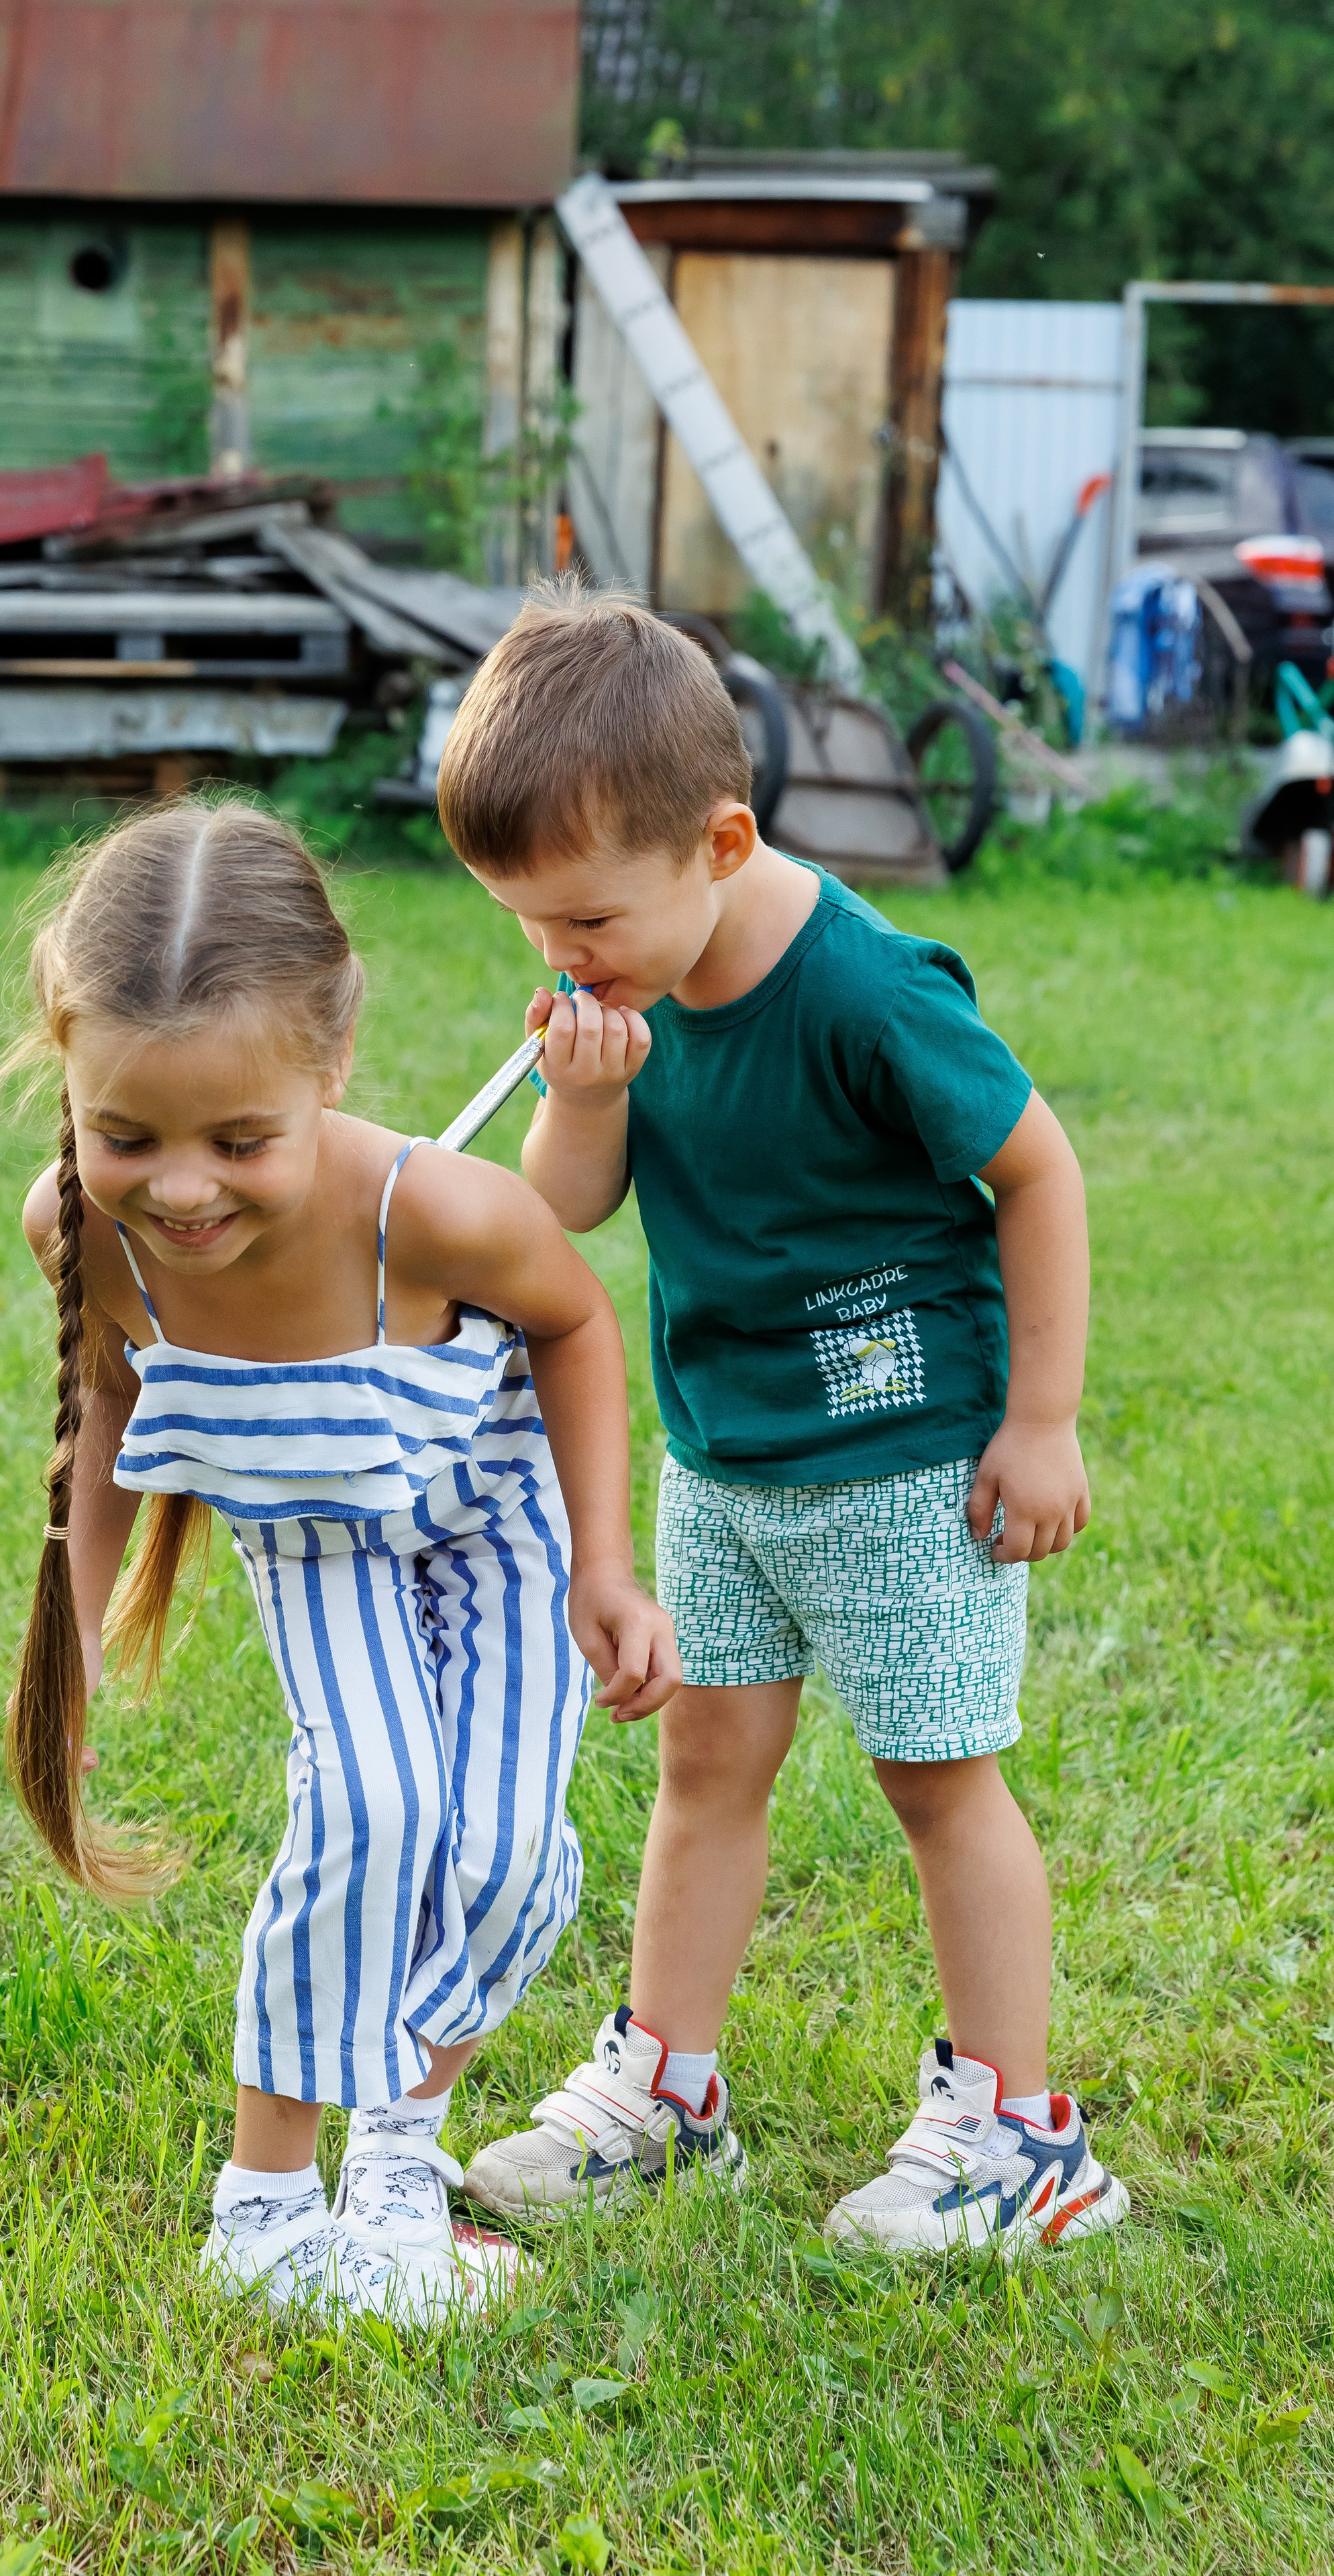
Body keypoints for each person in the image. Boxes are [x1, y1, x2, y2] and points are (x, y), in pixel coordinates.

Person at [433, 588, 1129, 2257]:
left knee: (934, 1780)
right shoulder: (618, 989)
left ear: (722, 840)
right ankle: (665, 2090)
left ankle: (1023, 2134)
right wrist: (584, 1086)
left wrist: (1041, 1423)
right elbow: (569, 1212)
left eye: (584, 920)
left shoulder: (866, 993)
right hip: (723, 1453)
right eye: (528, 927)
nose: (560, 958)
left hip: (904, 1459)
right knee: (704, 1764)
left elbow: (1034, 1170)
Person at [0, 793, 679, 2320]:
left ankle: (398, 2150)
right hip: (315, 1535)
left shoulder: (429, 1208)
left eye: (241, 1140)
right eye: (127, 1135)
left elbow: (574, 1324)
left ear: (335, 1063)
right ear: (68, 1061)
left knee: (503, 1858)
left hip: (499, 1521)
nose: (180, 1190)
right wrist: (85, 1626)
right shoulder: (77, 1229)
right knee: (371, 1811)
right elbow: (109, 1396)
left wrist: (606, 1572)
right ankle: (263, 2207)